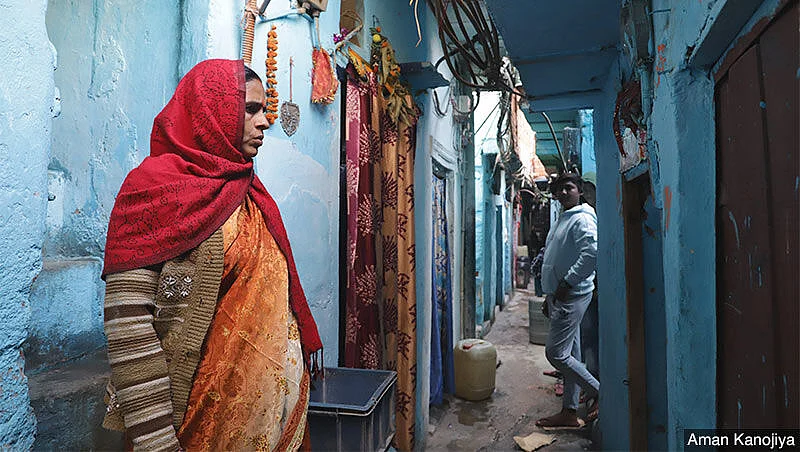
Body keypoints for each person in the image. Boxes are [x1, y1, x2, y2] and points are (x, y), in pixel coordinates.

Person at [101, 59, 323, 451]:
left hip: (271, 423)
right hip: (191, 425)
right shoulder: (150, 192)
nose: (265, 121)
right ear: (212, 112)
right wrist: (158, 444)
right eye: (251, 109)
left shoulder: (248, 192)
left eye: (265, 109)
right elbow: (129, 330)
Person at [536, 172, 599, 428]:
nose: (563, 193)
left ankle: (598, 391)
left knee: (556, 354)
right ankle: (570, 412)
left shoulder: (582, 218)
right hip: (561, 295)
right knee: (570, 353)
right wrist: (550, 292)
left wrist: (566, 282)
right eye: (559, 189)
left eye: (568, 188)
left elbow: (592, 252)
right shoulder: (566, 217)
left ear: (579, 190)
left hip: (571, 294)